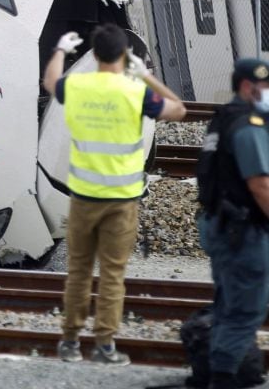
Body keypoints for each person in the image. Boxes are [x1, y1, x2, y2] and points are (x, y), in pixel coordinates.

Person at [43, 24, 186, 365]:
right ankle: (105, 345)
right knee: (112, 274)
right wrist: (146, 75)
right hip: (121, 201)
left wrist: (61, 51)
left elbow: (50, 83)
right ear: (124, 56)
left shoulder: (78, 85)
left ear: (93, 55)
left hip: (83, 199)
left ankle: (70, 342)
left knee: (78, 272)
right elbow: (178, 109)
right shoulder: (135, 91)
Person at [195, 58, 269, 389]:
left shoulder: (223, 118)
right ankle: (222, 377)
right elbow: (260, 185)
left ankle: (212, 370)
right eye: (265, 86)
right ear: (247, 86)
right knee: (245, 310)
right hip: (243, 232)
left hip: (219, 224)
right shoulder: (248, 126)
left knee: (228, 302)